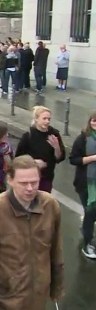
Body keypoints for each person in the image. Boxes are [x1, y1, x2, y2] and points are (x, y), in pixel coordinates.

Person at [0, 155, 65, 309]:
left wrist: (57, 288)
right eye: (23, 183)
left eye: (34, 182)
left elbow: (56, 250)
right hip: (5, 300)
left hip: (38, 296)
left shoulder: (50, 206)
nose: (30, 188)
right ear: (10, 180)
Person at [15, 106, 65, 192]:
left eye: (49, 119)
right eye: (44, 118)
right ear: (36, 119)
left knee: (43, 202)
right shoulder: (28, 136)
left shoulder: (54, 134)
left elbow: (60, 158)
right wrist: (34, 162)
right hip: (30, 177)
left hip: (46, 177)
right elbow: (18, 158)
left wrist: (56, 147)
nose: (47, 121)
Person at [68, 111, 96, 259]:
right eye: (94, 121)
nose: (95, 124)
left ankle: (86, 228)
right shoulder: (83, 138)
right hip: (86, 182)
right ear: (89, 122)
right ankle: (87, 244)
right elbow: (73, 159)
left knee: (91, 214)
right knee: (91, 212)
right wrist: (92, 158)